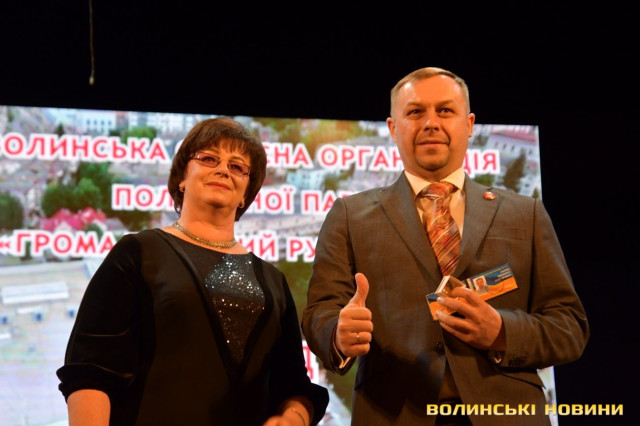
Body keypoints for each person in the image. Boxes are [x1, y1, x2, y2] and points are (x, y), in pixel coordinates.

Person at [301, 67, 588, 426]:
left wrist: (502, 332)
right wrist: (337, 334)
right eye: (415, 111)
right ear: (393, 128)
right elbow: (320, 313)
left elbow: (569, 326)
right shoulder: (349, 215)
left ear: (469, 124)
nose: (431, 123)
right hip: (394, 414)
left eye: (445, 110)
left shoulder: (525, 213)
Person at [57, 117, 329, 426]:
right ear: (182, 178)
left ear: (246, 193)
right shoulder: (138, 252)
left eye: (237, 166)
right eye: (209, 158)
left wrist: (293, 419)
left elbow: (294, 386)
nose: (223, 169)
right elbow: (90, 370)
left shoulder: (273, 282)